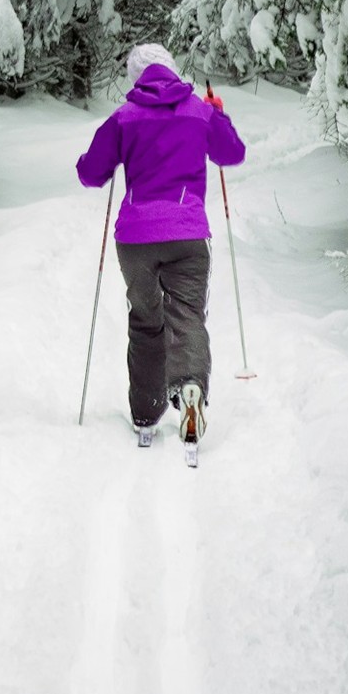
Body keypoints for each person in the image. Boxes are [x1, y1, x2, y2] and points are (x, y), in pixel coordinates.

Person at [76, 44, 246, 448]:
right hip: (187, 234)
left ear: (137, 78)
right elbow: (232, 153)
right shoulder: (198, 110)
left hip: (135, 239)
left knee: (146, 320)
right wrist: (218, 113)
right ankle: (190, 390)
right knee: (187, 315)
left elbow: (90, 174)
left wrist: (107, 156)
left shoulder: (124, 117)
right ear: (171, 70)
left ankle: (146, 413)